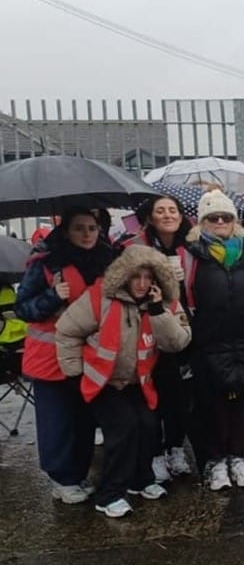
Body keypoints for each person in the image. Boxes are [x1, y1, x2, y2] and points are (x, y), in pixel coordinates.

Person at [55, 245, 192, 517]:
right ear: (124, 276)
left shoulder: (163, 302)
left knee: (148, 426)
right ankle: (109, 494)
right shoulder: (99, 298)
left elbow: (178, 342)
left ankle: (140, 481)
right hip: (101, 382)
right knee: (124, 429)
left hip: (137, 382)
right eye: (135, 277)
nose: (142, 284)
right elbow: (67, 331)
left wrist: (156, 311)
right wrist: (73, 374)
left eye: (148, 277)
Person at [15, 207, 115, 505]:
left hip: (89, 357)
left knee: (83, 421)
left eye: (92, 228)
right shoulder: (45, 265)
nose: (86, 234)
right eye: (79, 228)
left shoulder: (106, 261)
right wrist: (51, 297)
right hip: (50, 359)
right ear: (65, 231)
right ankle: (62, 477)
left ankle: (78, 472)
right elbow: (23, 308)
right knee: (56, 422)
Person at [187, 190, 244, 490]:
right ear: (202, 222)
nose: (220, 222)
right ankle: (216, 460)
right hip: (210, 342)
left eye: (226, 217)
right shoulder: (190, 255)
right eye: (212, 218)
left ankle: (240, 457)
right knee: (212, 403)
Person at [118, 195, 197, 482]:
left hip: (183, 325)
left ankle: (176, 446)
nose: (167, 215)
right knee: (154, 392)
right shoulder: (136, 247)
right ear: (150, 218)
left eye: (172, 210)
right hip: (148, 327)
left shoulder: (191, 245)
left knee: (181, 395)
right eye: (160, 211)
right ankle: (156, 452)